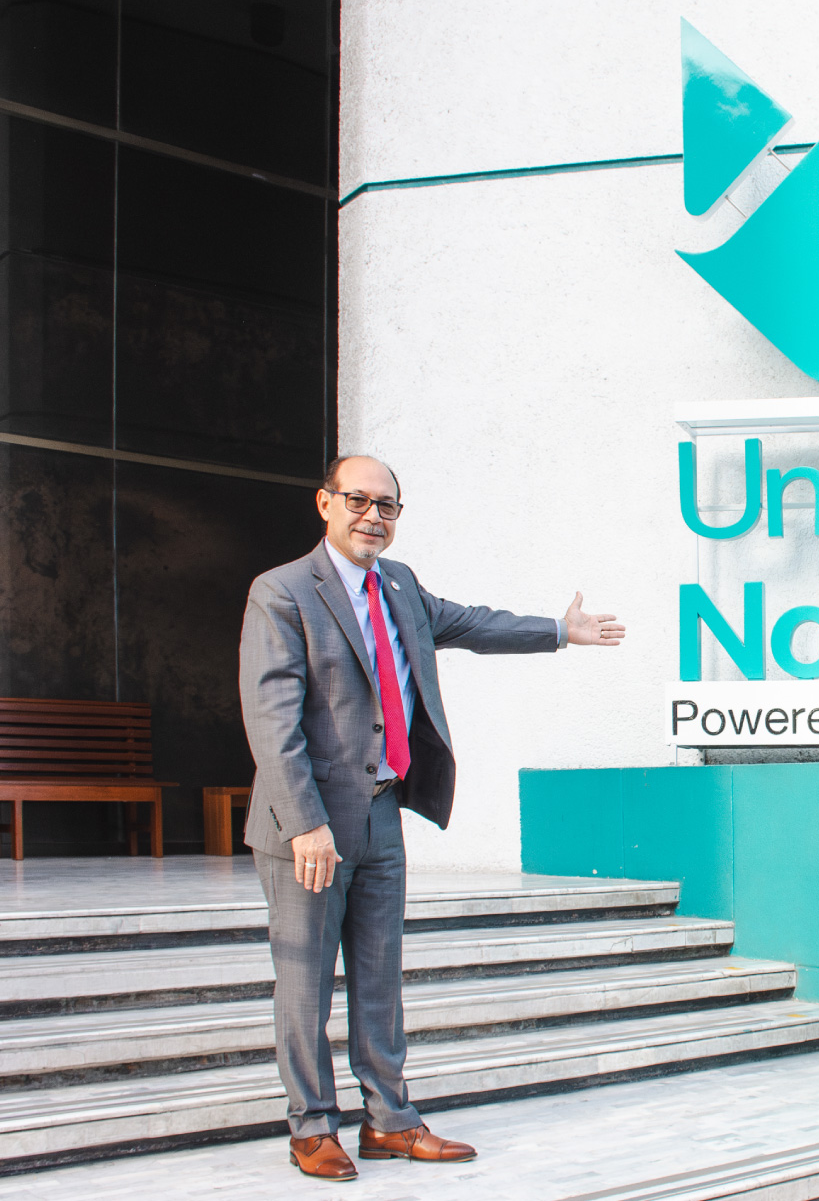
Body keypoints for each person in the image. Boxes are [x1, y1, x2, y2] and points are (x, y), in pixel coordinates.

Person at [239, 455, 624, 1181]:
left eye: (388, 505)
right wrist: (305, 823)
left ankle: (389, 1119)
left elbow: (471, 622)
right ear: (325, 503)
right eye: (357, 500)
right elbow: (272, 719)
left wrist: (556, 630)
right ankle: (311, 1126)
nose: (373, 516)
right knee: (306, 980)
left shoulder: (400, 585)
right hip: (310, 825)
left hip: (384, 813)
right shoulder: (283, 592)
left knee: (380, 976)